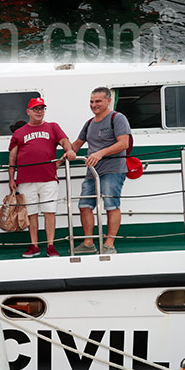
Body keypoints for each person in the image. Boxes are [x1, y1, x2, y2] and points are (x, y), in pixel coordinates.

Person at [8, 97, 76, 258]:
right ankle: (34, 245)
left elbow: (64, 141)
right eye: (36, 109)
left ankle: (50, 245)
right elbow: (12, 158)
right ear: (28, 112)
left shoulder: (53, 127)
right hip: (25, 179)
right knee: (31, 213)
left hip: (48, 178)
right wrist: (11, 178)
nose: (39, 111)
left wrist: (70, 150)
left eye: (42, 108)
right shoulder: (19, 132)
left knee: (49, 211)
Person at [70, 87, 132, 254]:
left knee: (111, 205)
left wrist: (100, 153)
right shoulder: (89, 123)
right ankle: (88, 243)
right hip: (92, 172)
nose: (94, 105)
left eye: (98, 101)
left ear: (108, 101)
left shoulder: (117, 118)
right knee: (84, 205)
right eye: (91, 101)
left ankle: (109, 245)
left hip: (113, 169)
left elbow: (123, 143)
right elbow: (77, 144)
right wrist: (65, 155)